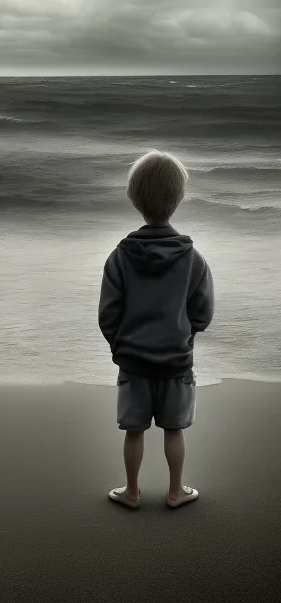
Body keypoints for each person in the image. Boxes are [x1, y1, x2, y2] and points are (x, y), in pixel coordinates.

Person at [98, 150, 214, 509]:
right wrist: (185, 333)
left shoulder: (120, 256)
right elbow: (203, 312)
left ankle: (131, 492)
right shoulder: (193, 258)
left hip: (133, 360)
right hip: (177, 360)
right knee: (173, 429)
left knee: (134, 431)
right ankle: (176, 491)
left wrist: (120, 343)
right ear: (178, 199)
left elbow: (108, 314)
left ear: (135, 198)